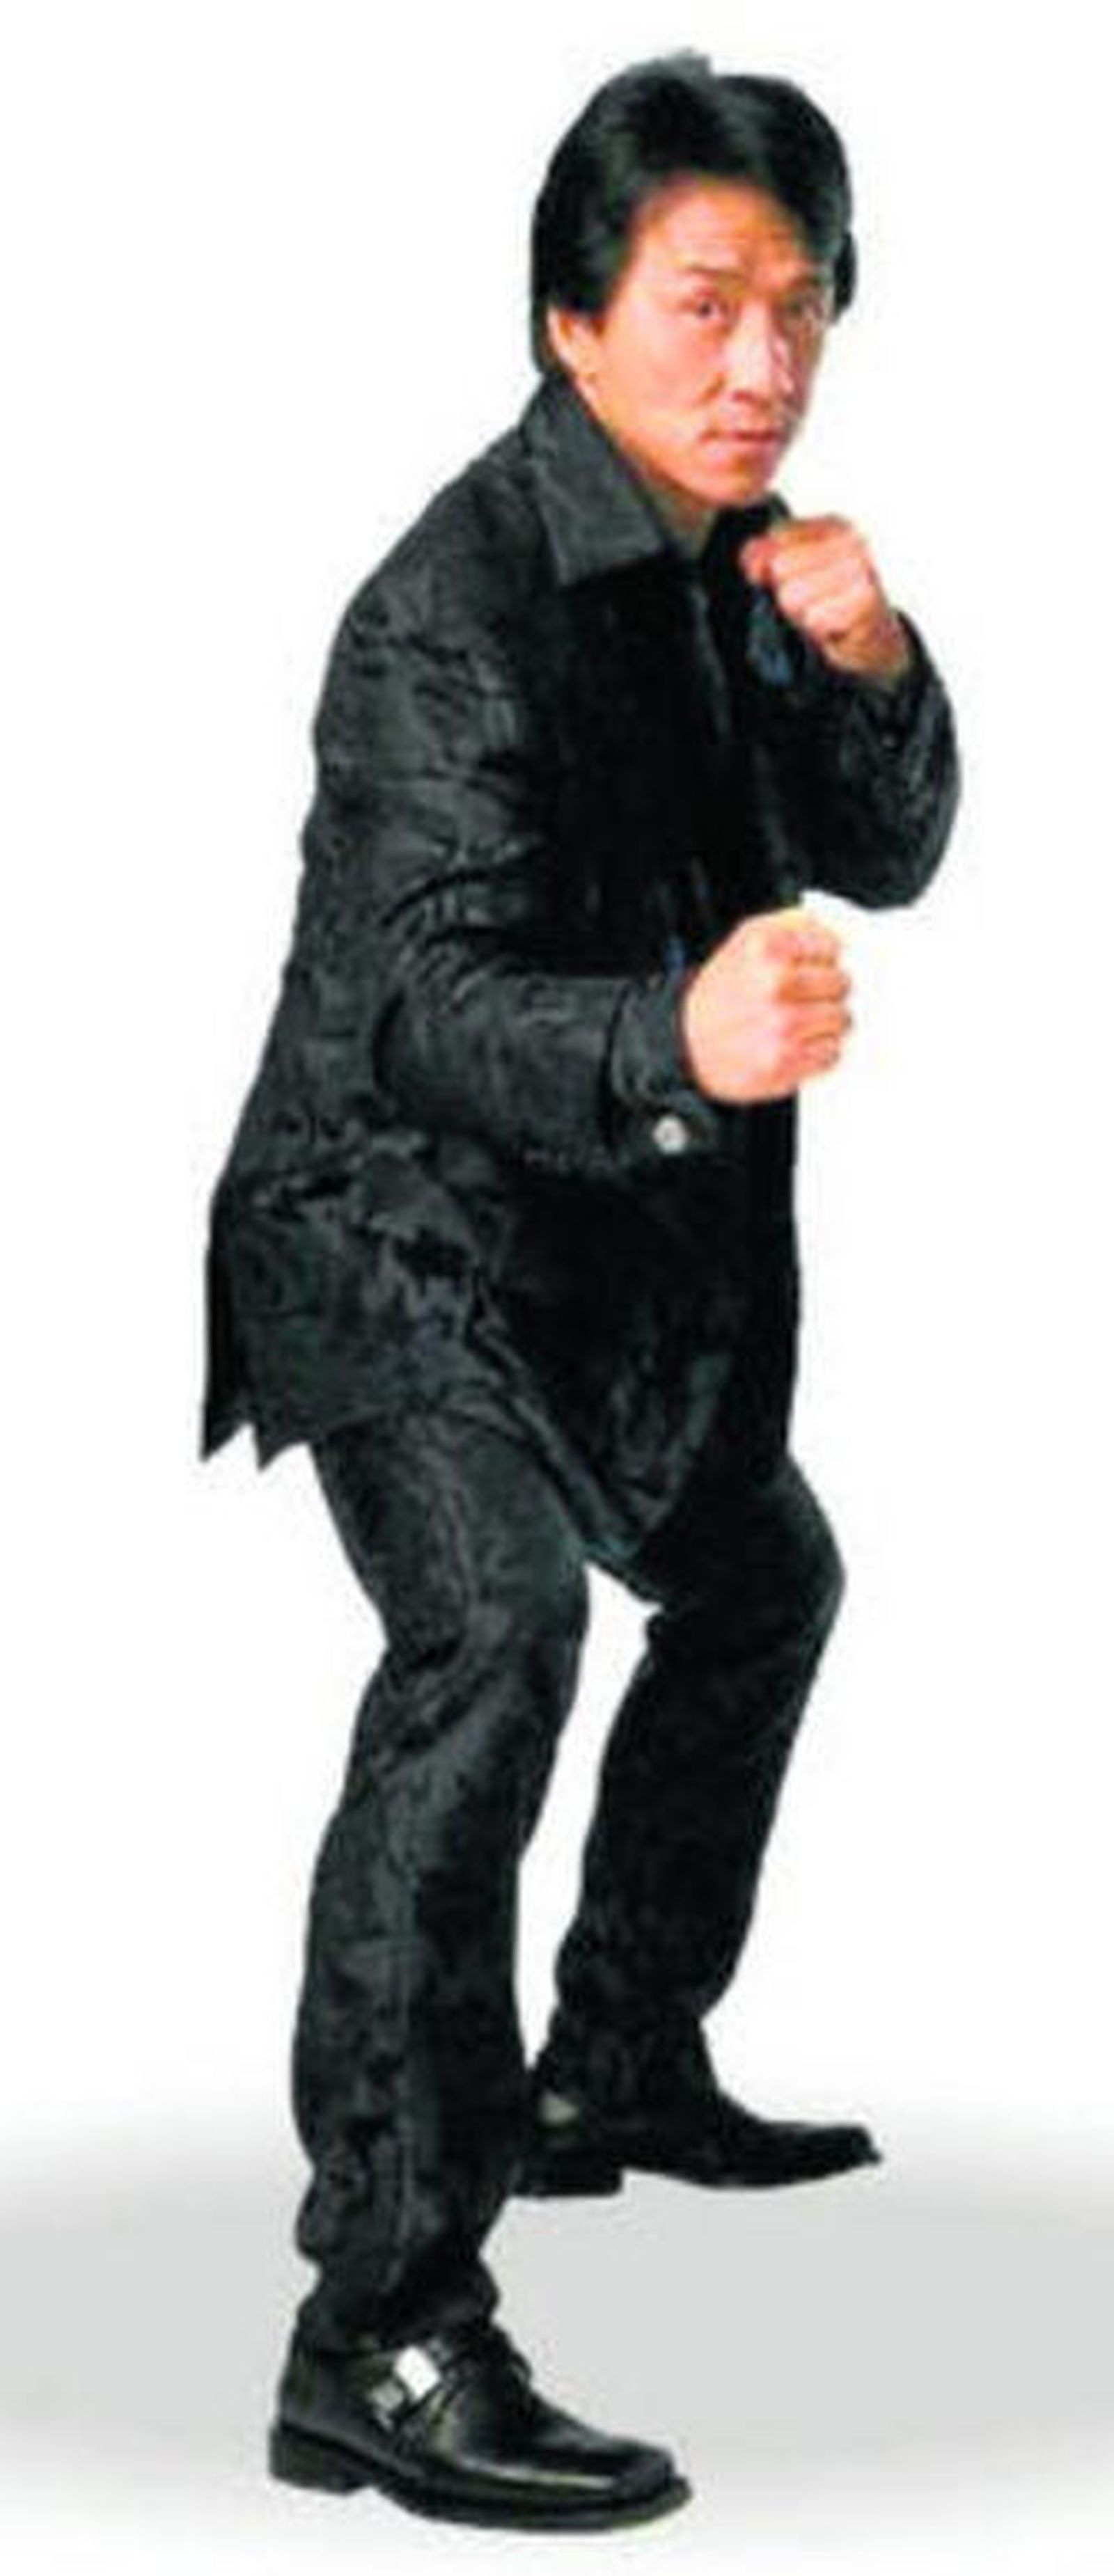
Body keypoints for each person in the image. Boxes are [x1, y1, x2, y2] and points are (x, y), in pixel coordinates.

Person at [201, 52, 959, 2534]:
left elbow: (890, 849)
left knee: (761, 1575)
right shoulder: (444, 615)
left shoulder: (755, 564)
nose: (764, 362)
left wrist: (873, 663)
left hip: (614, 1255)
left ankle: (614, 2060)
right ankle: (381, 2327)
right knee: (497, 1634)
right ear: (572, 321)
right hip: (396, 1228)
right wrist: (676, 1038)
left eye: (801, 309)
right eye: (707, 304)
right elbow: (417, 1007)